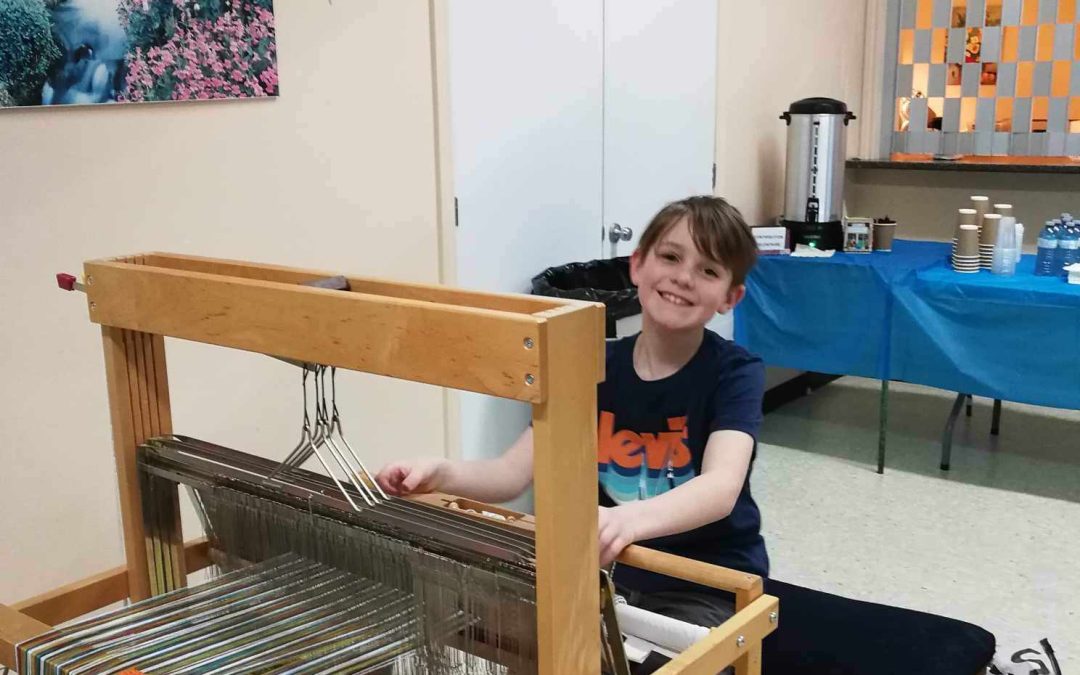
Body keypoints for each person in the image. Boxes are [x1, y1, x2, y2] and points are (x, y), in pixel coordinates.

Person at [376, 195, 767, 674]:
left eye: (708, 270)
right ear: (637, 266)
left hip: (702, 585)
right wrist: (440, 473)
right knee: (507, 642)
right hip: (603, 574)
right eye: (670, 256)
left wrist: (627, 521)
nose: (684, 277)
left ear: (730, 297)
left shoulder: (735, 373)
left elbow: (721, 488)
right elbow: (510, 474)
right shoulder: (592, 365)